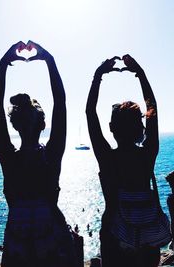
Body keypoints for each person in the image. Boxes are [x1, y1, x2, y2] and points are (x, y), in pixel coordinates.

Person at [0, 41, 76, 267]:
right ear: (43, 124)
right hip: (53, 242)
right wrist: (49, 60)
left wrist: (3, 64)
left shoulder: (10, 158)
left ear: (15, 125)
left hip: (19, 245)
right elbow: (61, 102)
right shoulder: (51, 155)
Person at [86, 54, 160, 267]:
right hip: (146, 235)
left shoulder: (107, 158)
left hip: (113, 233)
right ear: (141, 128)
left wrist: (98, 76)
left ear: (111, 128)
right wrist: (140, 74)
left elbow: (90, 112)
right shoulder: (147, 155)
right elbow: (152, 109)